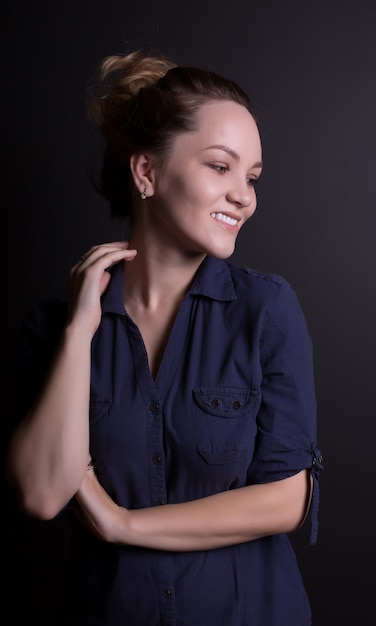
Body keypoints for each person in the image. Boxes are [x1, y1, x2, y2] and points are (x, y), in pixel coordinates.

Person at [5, 49, 323, 626]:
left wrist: (121, 523)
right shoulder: (56, 326)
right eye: (221, 167)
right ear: (146, 172)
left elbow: (286, 499)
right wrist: (81, 330)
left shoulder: (266, 310)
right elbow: (41, 493)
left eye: (251, 177)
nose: (244, 196)